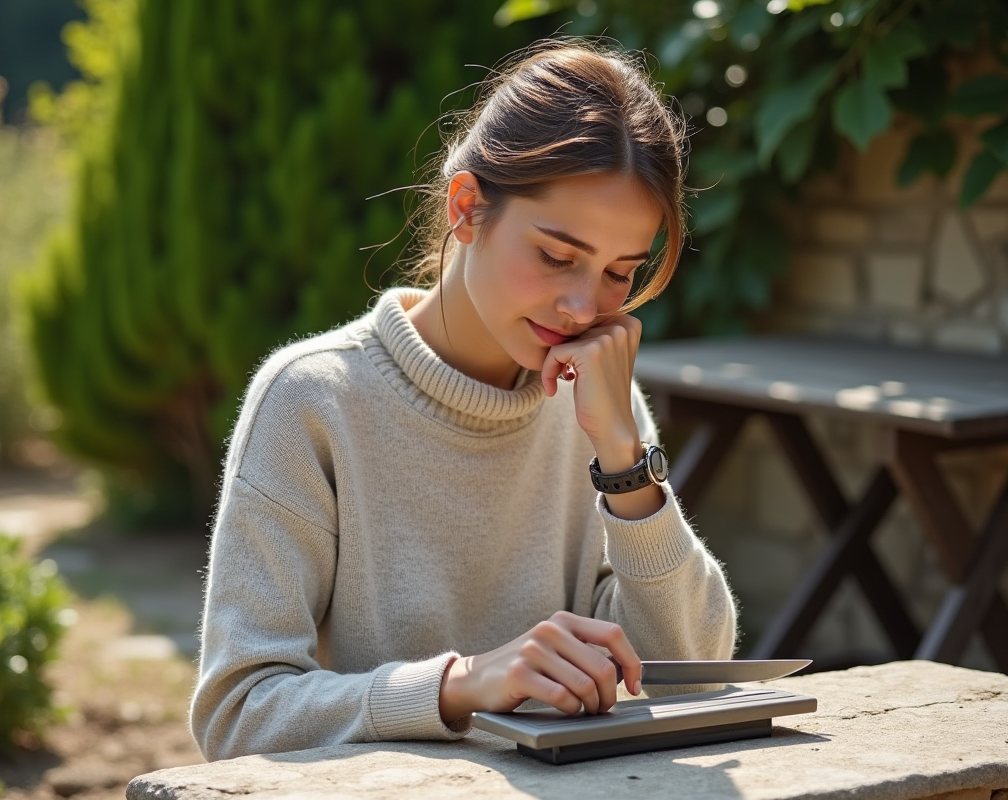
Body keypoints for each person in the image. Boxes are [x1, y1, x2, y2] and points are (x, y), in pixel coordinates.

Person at [189, 39, 737, 761]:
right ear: (468, 207)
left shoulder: (601, 405)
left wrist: (625, 463)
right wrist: (458, 686)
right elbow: (237, 713)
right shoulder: (312, 402)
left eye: (619, 273)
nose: (583, 307)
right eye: (556, 256)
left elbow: (694, 677)